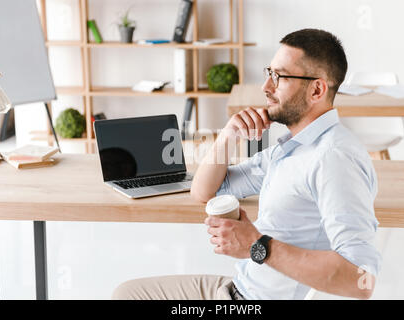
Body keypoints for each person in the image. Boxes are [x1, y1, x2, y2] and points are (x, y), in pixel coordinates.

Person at [112, 28, 381, 300]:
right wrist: (228, 135)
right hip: (240, 286)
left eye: (280, 77)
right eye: (269, 73)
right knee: (126, 293)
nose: (266, 87)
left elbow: (359, 280)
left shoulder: (334, 158)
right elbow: (204, 191)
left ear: (317, 89)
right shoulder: (291, 149)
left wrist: (256, 245)